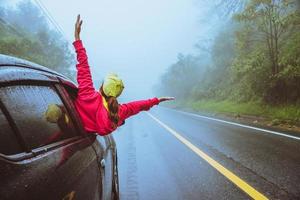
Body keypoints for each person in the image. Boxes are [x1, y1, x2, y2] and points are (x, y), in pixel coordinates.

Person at [73, 15, 174, 136]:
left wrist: (77, 38)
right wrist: (156, 100)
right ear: (117, 94)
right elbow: (137, 106)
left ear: (102, 86)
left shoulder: (87, 94)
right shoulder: (117, 112)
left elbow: (84, 67)